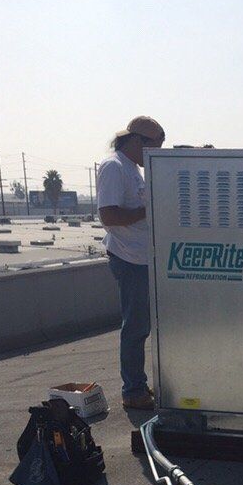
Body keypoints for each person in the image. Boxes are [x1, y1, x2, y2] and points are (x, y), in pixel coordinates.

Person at [97, 116, 165, 410]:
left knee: (143, 325)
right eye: (154, 148)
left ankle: (137, 384)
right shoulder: (114, 167)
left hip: (142, 258)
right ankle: (133, 390)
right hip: (129, 258)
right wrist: (145, 210)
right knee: (136, 326)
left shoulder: (133, 169)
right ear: (137, 141)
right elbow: (109, 217)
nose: (154, 155)